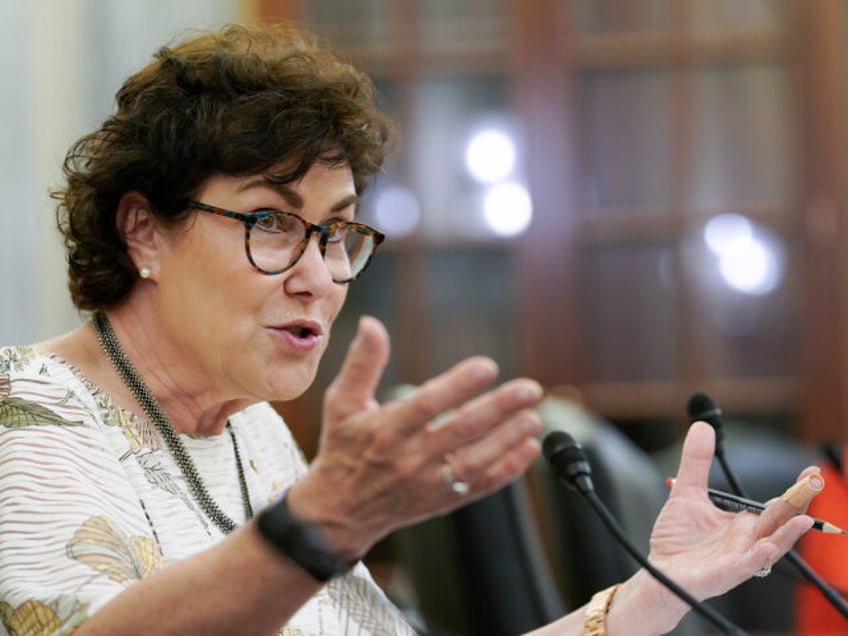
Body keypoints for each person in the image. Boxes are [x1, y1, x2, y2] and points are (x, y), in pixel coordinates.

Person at [0, 22, 822, 636]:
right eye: (271, 223)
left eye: (336, 232)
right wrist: (323, 524)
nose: (319, 276)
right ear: (144, 229)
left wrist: (654, 591)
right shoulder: (23, 418)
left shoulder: (255, 438)